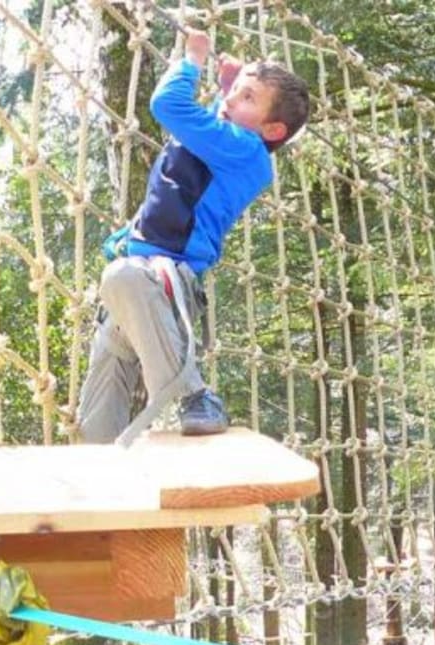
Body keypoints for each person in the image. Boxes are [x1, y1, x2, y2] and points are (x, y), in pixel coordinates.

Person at [77, 30, 310, 442]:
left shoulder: (246, 149)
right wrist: (228, 90)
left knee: (122, 277)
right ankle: (101, 488)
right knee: (94, 431)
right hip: (133, 292)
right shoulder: (228, 140)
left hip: (164, 284)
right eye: (235, 94)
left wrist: (193, 58)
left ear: (272, 130)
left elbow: (167, 105)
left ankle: (195, 396)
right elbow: (215, 124)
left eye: (247, 98)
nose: (231, 103)